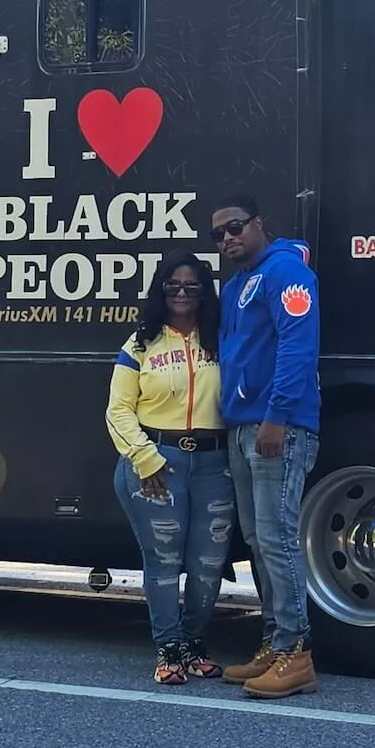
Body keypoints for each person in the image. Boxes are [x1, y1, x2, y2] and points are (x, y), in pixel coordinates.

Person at [211, 196, 321, 699]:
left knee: (277, 537)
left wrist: (276, 416)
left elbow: (299, 345)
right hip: (242, 425)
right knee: (258, 539)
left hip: (276, 426)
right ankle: (275, 645)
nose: (228, 238)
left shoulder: (286, 273)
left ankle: (296, 654)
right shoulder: (237, 285)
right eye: (218, 234)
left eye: (235, 227)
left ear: (259, 224)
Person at [105, 259, 234, 685]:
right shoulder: (139, 344)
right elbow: (118, 410)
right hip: (158, 464)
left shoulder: (222, 339)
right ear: (160, 291)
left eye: (192, 287)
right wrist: (145, 458)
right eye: (173, 285)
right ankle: (169, 649)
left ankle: (195, 644)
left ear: (204, 292)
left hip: (215, 465)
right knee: (162, 560)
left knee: (209, 563)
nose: (182, 293)